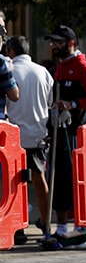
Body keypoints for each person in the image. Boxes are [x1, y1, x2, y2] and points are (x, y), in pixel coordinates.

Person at [45, 25, 86, 249]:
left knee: (74, 179)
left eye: (58, 42)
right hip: (59, 130)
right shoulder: (60, 67)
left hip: (75, 133)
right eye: (52, 42)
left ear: (70, 43)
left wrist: (74, 104)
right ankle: (60, 229)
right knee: (59, 178)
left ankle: (80, 228)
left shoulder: (81, 65)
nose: (53, 46)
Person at [5, 36, 51, 244]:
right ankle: (46, 221)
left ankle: (18, 227)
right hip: (37, 134)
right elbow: (49, 101)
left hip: (13, 135)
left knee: (12, 183)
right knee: (39, 179)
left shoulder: (10, 69)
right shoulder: (43, 72)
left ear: (11, 51)